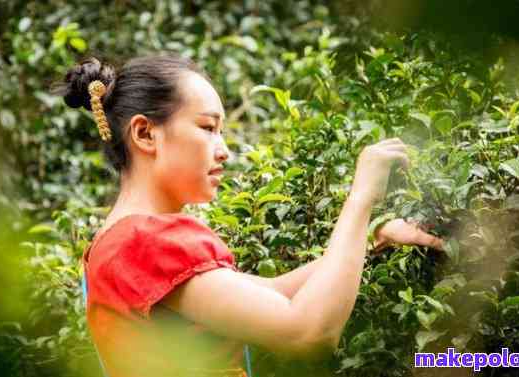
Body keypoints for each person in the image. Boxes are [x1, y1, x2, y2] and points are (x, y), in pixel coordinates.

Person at [58, 54, 444, 377]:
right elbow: (306, 331)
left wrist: (375, 236)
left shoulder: (118, 242)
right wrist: (361, 197)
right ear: (145, 134)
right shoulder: (143, 242)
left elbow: (273, 294)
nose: (224, 150)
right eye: (208, 128)